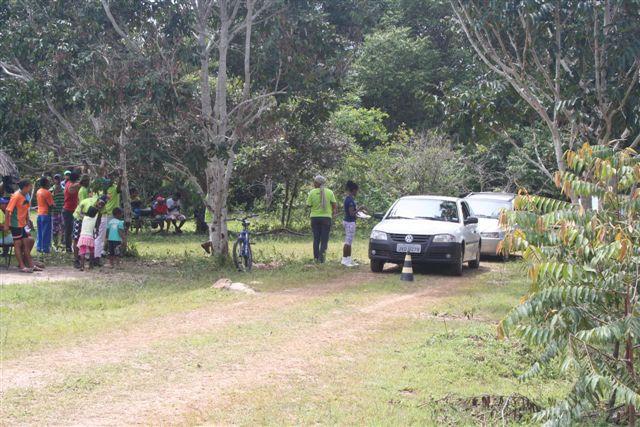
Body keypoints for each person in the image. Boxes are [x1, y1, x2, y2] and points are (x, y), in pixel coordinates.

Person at [5, 180, 39, 272]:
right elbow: (8, 210)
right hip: (15, 224)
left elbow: (25, 209)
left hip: (22, 224)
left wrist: (28, 220)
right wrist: (7, 225)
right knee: (18, 244)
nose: (30, 189)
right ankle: (22, 266)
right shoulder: (16, 196)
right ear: (25, 187)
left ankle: (31, 265)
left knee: (26, 243)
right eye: (29, 187)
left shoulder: (25, 196)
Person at [306, 175, 337, 263]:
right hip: (326, 218)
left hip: (315, 218)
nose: (313, 183)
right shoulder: (330, 192)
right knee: (324, 239)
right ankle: (322, 259)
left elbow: (308, 205)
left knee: (316, 239)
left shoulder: (312, 192)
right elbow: (334, 205)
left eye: (315, 182)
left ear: (318, 183)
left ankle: (316, 258)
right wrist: (333, 212)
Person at [72, 195, 106, 268]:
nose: (100, 206)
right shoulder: (89, 204)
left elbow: (99, 218)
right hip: (79, 218)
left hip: (85, 223)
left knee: (82, 247)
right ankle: (76, 260)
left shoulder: (102, 208)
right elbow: (79, 214)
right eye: (100, 204)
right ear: (98, 200)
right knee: (76, 238)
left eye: (102, 205)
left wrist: (97, 228)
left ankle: (83, 264)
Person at [95, 174, 121, 265]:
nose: (110, 180)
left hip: (114, 214)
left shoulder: (115, 188)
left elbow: (118, 189)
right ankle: (103, 251)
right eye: (109, 178)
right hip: (106, 214)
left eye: (111, 178)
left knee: (113, 234)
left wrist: (120, 177)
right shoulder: (103, 190)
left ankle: (108, 251)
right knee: (106, 234)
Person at [341, 181, 365, 267]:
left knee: (349, 242)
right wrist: (359, 209)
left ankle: (348, 259)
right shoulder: (350, 200)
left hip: (349, 221)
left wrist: (359, 212)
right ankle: (345, 260)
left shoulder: (349, 198)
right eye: (356, 191)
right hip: (350, 222)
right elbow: (351, 213)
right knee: (348, 242)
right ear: (353, 190)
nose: (357, 193)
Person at [77, 206, 101, 271]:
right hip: (90, 237)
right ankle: (91, 265)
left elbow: (79, 213)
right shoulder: (94, 219)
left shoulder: (84, 218)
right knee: (92, 251)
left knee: (82, 251)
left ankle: (82, 266)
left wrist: (81, 208)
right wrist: (99, 208)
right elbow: (98, 214)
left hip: (82, 237)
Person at [35, 177, 55, 254]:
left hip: (39, 214)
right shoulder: (47, 192)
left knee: (40, 232)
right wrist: (54, 204)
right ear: (46, 183)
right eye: (48, 182)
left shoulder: (38, 191)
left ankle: (39, 247)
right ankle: (45, 249)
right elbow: (51, 205)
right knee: (46, 233)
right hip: (46, 214)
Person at [62, 172, 81, 253]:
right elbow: (72, 188)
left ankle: (70, 247)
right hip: (68, 210)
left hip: (71, 210)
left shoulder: (69, 183)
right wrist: (81, 182)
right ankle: (68, 248)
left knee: (71, 230)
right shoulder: (70, 185)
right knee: (69, 230)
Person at [50, 174, 65, 249]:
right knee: (55, 229)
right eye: (55, 179)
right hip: (54, 212)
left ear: (60, 179)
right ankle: (55, 243)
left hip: (62, 211)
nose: (57, 180)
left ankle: (61, 243)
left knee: (63, 228)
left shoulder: (64, 189)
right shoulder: (51, 189)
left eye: (58, 179)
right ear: (54, 180)